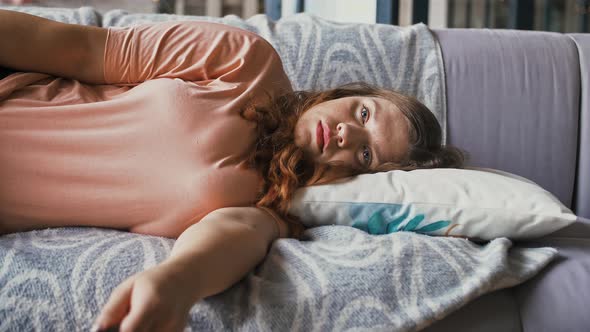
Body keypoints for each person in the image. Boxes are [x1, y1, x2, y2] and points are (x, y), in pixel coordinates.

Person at [0, 9, 465, 332]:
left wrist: (175, 282)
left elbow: (229, 236)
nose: (347, 134)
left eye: (366, 154)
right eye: (363, 114)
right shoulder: (248, 62)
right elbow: (85, 50)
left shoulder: (275, 208)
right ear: (349, 92)